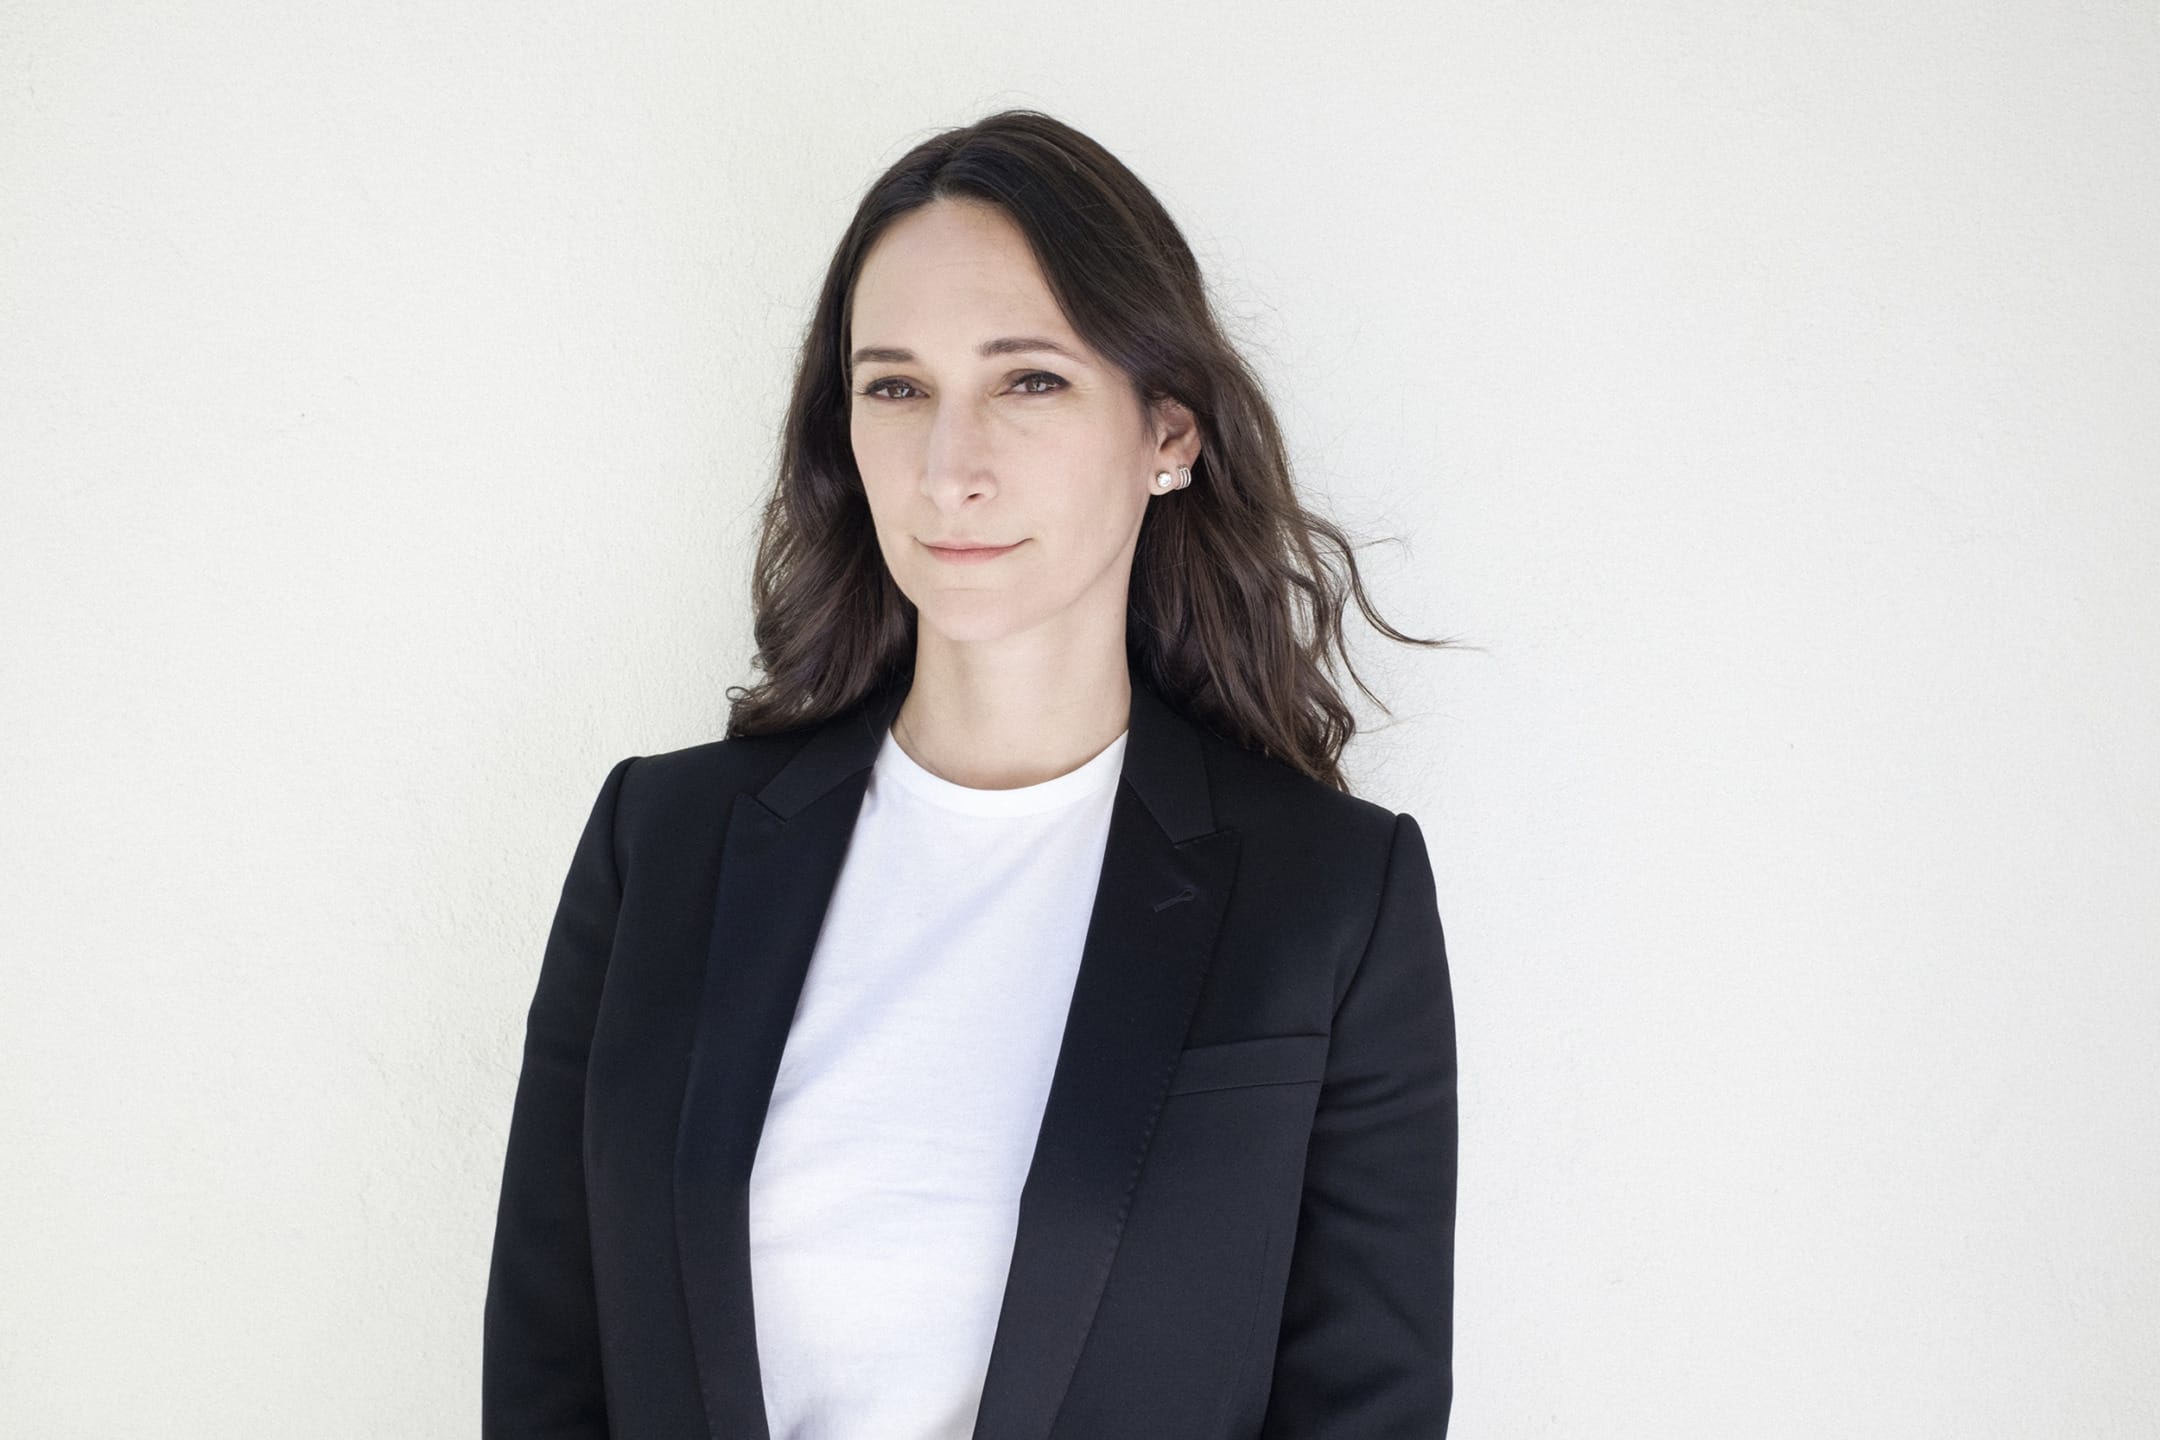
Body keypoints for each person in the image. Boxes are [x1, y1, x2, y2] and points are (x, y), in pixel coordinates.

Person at [483, 108, 1460, 1439]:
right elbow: (553, 1375)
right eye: (897, 387)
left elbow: (1364, 1411)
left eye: (1029, 381)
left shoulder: (1330, 901)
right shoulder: (661, 847)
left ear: (1168, 430)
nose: (952, 470)